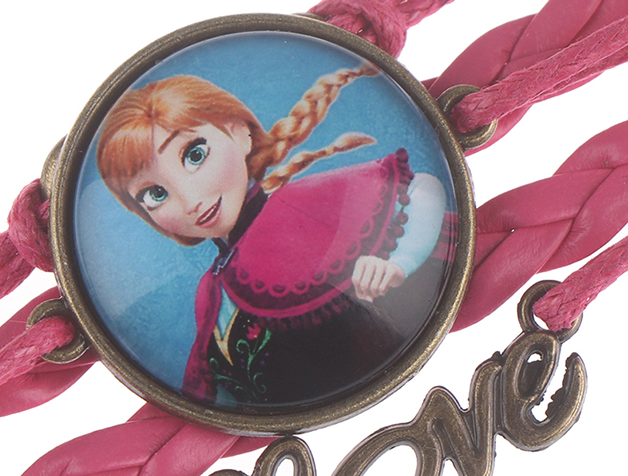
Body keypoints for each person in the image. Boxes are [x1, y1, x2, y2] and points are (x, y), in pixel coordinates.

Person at [96, 66, 449, 408]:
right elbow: (219, 392)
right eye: (156, 194)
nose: (190, 201)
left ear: (239, 133)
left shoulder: (303, 205)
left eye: (195, 154)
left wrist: (400, 261)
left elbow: (423, 188)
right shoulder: (211, 292)